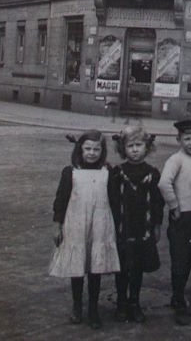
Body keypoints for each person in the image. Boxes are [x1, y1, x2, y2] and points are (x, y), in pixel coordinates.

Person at [49, 130, 120, 328]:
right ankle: (77, 306)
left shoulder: (107, 172)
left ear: (102, 151)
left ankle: (93, 309)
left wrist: (116, 227)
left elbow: (115, 202)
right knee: (78, 268)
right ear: (80, 149)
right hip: (76, 224)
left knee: (95, 269)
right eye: (87, 148)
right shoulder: (70, 172)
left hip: (100, 225)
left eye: (96, 149)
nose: (91, 153)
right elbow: (61, 201)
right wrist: (57, 225)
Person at [109, 122, 164, 323]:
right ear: (123, 149)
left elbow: (158, 202)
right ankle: (121, 302)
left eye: (138, 145)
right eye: (130, 146)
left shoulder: (152, 173)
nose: (134, 150)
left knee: (138, 266)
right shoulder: (117, 173)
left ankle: (135, 302)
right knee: (122, 266)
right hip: (122, 228)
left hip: (143, 228)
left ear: (146, 147)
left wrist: (157, 224)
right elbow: (112, 201)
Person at [158, 118, 191, 326]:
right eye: (187, 139)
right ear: (179, 139)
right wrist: (174, 206)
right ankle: (179, 301)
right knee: (180, 258)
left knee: (190, 258)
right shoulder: (175, 160)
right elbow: (163, 183)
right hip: (181, 216)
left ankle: (178, 294)